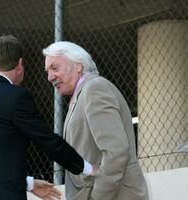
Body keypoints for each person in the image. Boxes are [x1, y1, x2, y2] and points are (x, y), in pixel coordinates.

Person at [0, 35, 97, 200]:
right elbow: (47, 141)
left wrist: (29, 184)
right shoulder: (15, 96)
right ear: (20, 64)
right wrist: (88, 168)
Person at [43, 41, 149, 200]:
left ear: (78, 66)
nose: (50, 77)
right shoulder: (81, 94)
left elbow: (116, 151)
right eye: (47, 71)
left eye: (55, 68)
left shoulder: (94, 89)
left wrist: (98, 196)